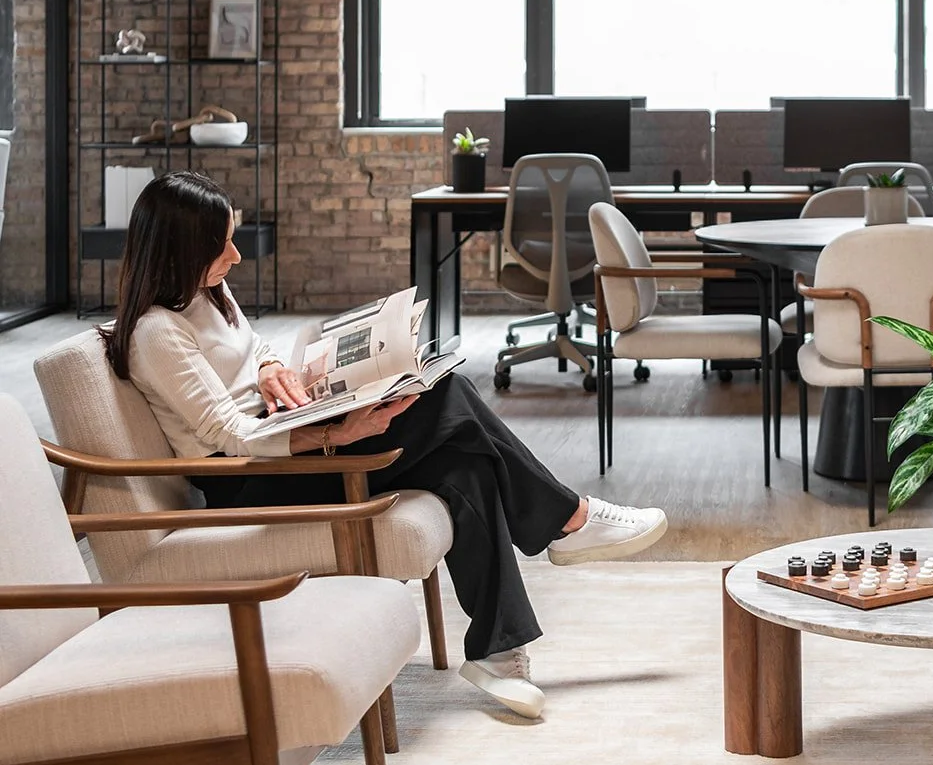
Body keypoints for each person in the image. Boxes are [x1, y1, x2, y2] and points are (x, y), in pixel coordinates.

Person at [102, 170, 666, 721]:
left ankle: (499, 651)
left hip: (285, 440)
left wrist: (273, 363)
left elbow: (250, 349)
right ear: (180, 250)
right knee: (448, 395)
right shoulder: (157, 332)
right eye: (221, 244)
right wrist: (338, 433)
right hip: (247, 480)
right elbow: (229, 434)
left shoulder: (208, 291)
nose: (236, 256)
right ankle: (568, 520)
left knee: (462, 461)